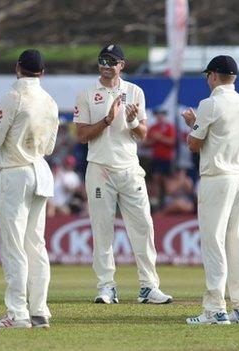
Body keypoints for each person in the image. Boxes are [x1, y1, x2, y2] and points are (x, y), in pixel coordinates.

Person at [73, 44, 172, 305]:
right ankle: (106, 287)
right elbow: (81, 135)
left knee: (143, 226)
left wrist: (132, 121)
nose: (106, 64)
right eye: (102, 60)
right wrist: (107, 120)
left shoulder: (134, 91)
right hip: (99, 168)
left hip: (129, 168)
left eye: (111, 61)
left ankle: (149, 287)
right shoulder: (86, 93)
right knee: (102, 229)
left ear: (121, 65)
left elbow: (143, 134)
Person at [0, 49, 58, 329]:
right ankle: (39, 311)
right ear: (42, 73)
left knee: (14, 245)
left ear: (18, 68)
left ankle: (17, 314)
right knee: (36, 245)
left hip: (16, 172)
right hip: (40, 170)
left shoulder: (13, 97)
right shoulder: (49, 101)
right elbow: (49, 147)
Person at [182, 55, 239, 324]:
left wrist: (192, 125)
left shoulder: (209, 104)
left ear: (213, 76)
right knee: (235, 243)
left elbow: (193, 144)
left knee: (213, 243)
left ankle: (215, 309)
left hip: (217, 178)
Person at [146, 108, 176, 209]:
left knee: (166, 180)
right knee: (156, 179)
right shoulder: (152, 128)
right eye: (158, 114)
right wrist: (154, 140)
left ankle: (167, 202)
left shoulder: (169, 127)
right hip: (156, 157)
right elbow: (145, 143)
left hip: (166, 158)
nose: (160, 116)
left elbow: (172, 142)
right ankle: (158, 203)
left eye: (162, 114)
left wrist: (160, 138)